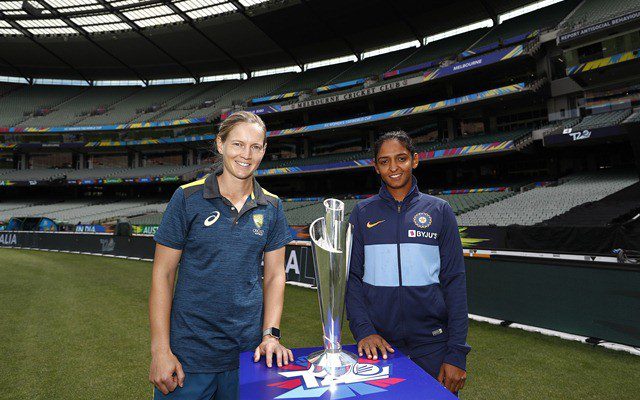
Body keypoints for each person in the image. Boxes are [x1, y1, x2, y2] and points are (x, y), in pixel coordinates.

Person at [149, 111, 294, 400]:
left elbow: (276, 275)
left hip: (247, 357)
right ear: (220, 144)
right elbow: (163, 275)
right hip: (188, 357)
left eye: (255, 146)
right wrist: (160, 350)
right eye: (238, 144)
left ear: (264, 150)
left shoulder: (273, 206)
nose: (246, 154)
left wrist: (271, 335)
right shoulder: (186, 198)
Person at [345, 131, 471, 394]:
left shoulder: (439, 210)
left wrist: (456, 353)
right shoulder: (362, 213)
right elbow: (352, 279)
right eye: (384, 161)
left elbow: (454, 283)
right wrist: (364, 331)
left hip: (434, 345)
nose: (393, 167)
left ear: (415, 160)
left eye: (401, 158)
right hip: (379, 346)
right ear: (376, 167)